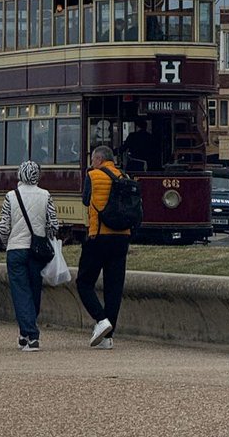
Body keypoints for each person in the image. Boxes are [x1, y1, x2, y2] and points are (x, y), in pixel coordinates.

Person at [0, 161, 58, 352]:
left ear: (20, 175)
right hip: (37, 250)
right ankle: (26, 331)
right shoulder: (46, 195)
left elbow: (3, 227)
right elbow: (54, 225)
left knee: (20, 292)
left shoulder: (11, 196)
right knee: (34, 290)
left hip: (16, 249)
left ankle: (31, 335)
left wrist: (7, 242)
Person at [76, 145, 131, 350]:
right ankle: (108, 337)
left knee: (84, 282)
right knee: (114, 288)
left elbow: (85, 200)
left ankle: (101, 320)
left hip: (99, 235)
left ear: (98, 159)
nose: (91, 163)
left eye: (92, 159)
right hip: (122, 237)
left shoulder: (93, 175)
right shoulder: (124, 176)